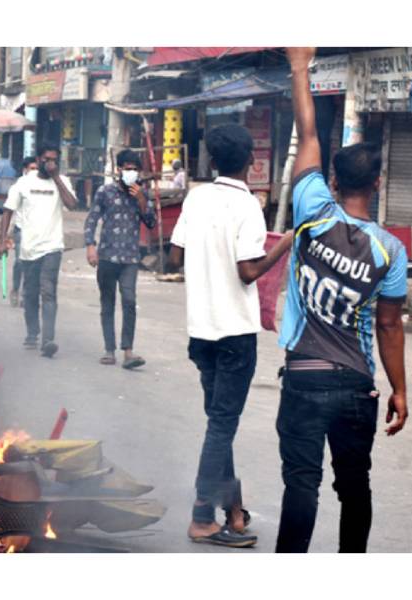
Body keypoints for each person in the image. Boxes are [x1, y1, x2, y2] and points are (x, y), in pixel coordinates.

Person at [274, 48, 409, 554]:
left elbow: (308, 134)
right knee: (355, 489)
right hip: (356, 385)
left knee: (301, 485)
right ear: (375, 185)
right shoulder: (390, 249)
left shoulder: (312, 209)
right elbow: (390, 327)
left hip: (304, 377)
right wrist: (399, 391)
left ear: (333, 181)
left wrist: (299, 66)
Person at [168, 123, 293, 548]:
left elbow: (175, 254)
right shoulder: (247, 206)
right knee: (221, 427)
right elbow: (249, 271)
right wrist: (287, 242)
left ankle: (233, 511)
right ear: (252, 162)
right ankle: (203, 517)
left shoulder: (197, 197)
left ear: (212, 161)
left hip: (201, 331)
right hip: (235, 333)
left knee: (218, 426)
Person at [0, 144, 78, 358]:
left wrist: (57, 178)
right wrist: (2, 240)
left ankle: (48, 339)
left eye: (54, 160)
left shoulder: (63, 182)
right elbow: (7, 211)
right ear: (38, 159)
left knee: (48, 291)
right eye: (46, 159)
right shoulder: (24, 183)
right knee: (31, 293)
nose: (50, 163)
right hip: (28, 248)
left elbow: (71, 204)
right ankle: (32, 332)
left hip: (52, 246)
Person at [84, 149, 156, 369]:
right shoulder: (105, 192)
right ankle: (109, 349)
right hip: (107, 255)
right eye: (127, 169)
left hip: (130, 258)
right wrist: (90, 246)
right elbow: (92, 220)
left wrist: (142, 199)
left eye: (135, 169)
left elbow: (151, 222)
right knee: (107, 303)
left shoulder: (142, 194)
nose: (131, 173)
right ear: (119, 170)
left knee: (130, 302)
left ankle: (128, 351)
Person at [7, 157, 38, 307]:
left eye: (37, 169)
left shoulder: (42, 185)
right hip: (21, 229)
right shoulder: (19, 185)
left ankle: (26, 295)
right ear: (25, 170)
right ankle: (15, 289)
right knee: (20, 262)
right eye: (32, 168)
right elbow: (9, 209)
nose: (35, 172)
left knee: (33, 264)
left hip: (38, 230)